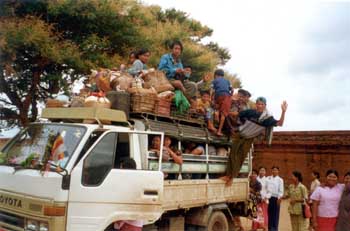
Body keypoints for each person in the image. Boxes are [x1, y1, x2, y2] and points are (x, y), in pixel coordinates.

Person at [114, 158, 143, 231]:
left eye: (121, 167)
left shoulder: (128, 183)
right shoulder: (137, 180)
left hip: (129, 224)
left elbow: (127, 205)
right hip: (136, 223)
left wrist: (119, 222)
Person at [211, 69, 232, 136]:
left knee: (216, 109)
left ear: (216, 75)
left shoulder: (214, 80)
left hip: (217, 96)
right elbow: (232, 89)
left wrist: (211, 98)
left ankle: (214, 124)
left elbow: (211, 90)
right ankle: (219, 131)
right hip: (226, 96)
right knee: (223, 114)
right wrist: (230, 96)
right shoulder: (227, 81)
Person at [267, 166, 284, 231]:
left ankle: (274, 228)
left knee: (275, 214)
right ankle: (269, 228)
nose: (274, 171)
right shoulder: (268, 178)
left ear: (278, 171)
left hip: (276, 198)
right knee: (269, 213)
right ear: (271, 171)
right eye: (273, 170)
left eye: (276, 170)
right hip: (269, 198)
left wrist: (279, 198)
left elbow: (281, 190)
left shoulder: (280, 180)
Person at [255, 166, 270, 231]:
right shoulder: (256, 179)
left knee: (264, 215)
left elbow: (270, 191)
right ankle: (255, 228)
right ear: (259, 171)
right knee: (255, 215)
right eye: (261, 170)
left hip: (264, 201)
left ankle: (264, 228)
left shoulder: (267, 180)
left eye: (263, 170)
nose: (262, 172)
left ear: (265, 172)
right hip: (256, 200)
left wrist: (266, 197)